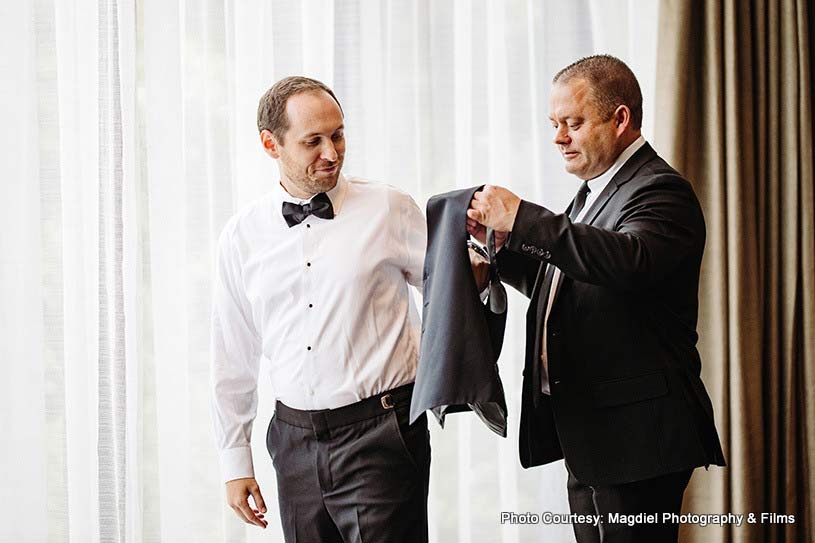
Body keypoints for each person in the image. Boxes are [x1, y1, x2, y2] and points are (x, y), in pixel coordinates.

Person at [466, 55, 726, 543]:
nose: (558, 137)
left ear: (620, 119)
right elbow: (571, 279)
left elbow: (627, 261)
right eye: (554, 124)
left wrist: (523, 217)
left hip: (638, 439)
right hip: (594, 433)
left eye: (573, 123)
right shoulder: (594, 193)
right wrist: (498, 249)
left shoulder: (661, 189)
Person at [210, 76, 430, 542]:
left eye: (338, 135)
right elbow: (233, 353)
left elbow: (450, 296)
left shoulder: (390, 208)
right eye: (313, 141)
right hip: (291, 443)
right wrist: (235, 460)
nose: (331, 152)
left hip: (382, 434)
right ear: (272, 144)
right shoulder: (241, 235)